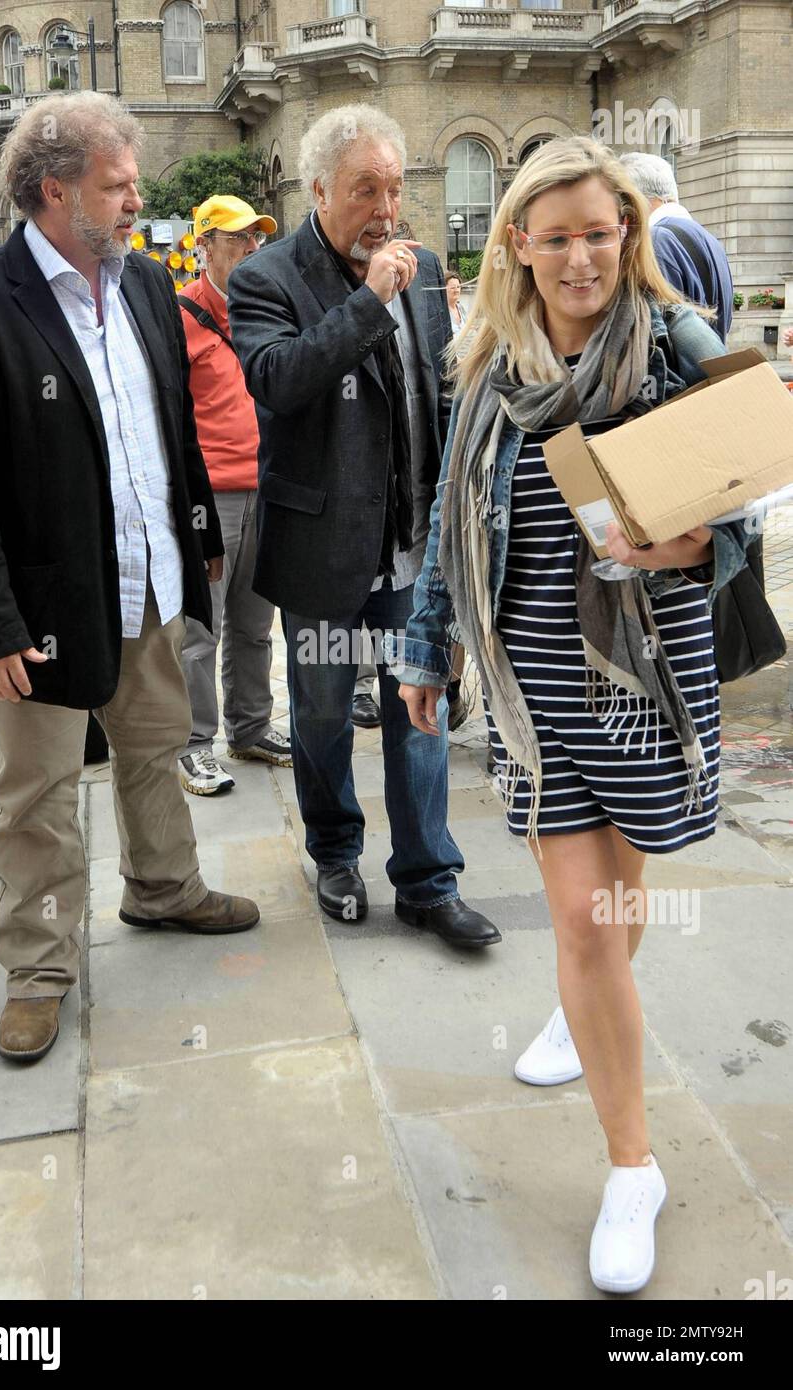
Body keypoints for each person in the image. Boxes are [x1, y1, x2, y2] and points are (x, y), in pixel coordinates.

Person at [391, 136, 749, 1291]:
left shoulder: (677, 347)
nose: (583, 255)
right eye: (559, 237)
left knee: (620, 895)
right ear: (519, 246)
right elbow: (451, 510)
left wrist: (695, 539)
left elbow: (749, 502)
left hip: (646, 681)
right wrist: (422, 644)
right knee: (588, 930)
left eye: (601, 232)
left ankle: (583, 1013)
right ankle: (630, 1163)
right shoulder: (489, 364)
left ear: (626, 235)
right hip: (532, 682)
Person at [0, 92, 260, 1065]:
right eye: (118, 185)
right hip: (38, 613)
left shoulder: (147, 285)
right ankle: (39, 967)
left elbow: (170, 429)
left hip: (148, 584)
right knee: (39, 800)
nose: (136, 198)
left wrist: (197, 542)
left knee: (153, 749)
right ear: (56, 192)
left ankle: (164, 889)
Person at [229, 103, 499, 948]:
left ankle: (427, 880)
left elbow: (437, 385)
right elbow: (277, 381)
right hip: (320, 554)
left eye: (394, 187)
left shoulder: (417, 270)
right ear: (318, 190)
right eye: (364, 190)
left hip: (410, 551)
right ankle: (335, 851)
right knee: (319, 716)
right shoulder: (267, 277)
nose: (386, 209)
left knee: (418, 713)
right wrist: (368, 304)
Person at [177, 194, 292, 796]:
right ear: (206, 246)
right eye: (238, 237)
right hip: (209, 498)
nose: (252, 248)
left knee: (253, 622)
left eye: (256, 238)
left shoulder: (263, 309)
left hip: (263, 486)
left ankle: (249, 727)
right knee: (201, 628)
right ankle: (194, 745)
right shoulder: (179, 316)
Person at [619, 152, 734, 343]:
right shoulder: (711, 240)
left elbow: (658, 334)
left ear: (635, 199)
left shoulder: (655, 240)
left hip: (678, 371)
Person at [445, 271, 467, 335]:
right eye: (453, 287)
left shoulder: (460, 308)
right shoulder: (442, 311)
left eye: (458, 287)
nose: (456, 290)